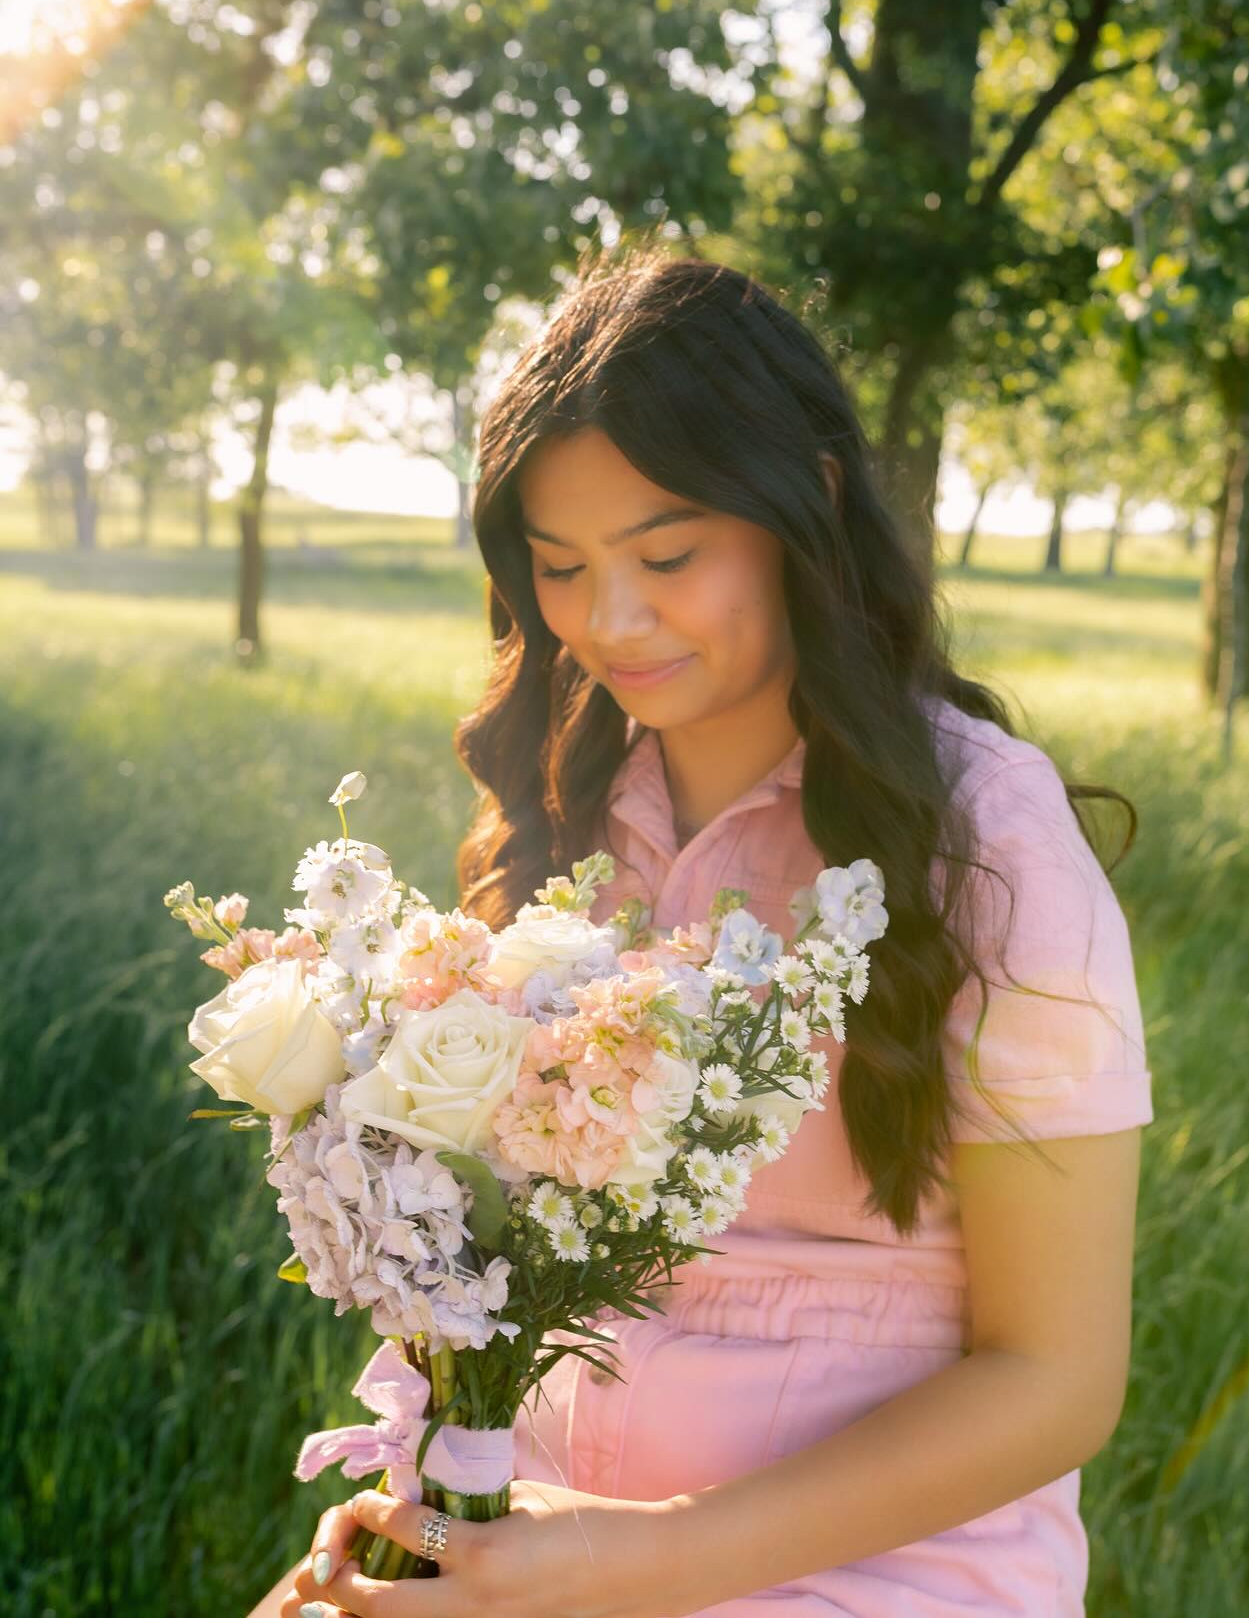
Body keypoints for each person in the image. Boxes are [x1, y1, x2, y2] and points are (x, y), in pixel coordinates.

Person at [258, 239, 1154, 1618]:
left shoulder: (983, 836)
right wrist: (431, 1511)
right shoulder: (564, 813)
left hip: (873, 1570)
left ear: (810, 503)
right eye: (561, 567)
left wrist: (641, 1561)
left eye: (667, 554)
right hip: (540, 1517)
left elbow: (1058, 1379)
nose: (611, 620)